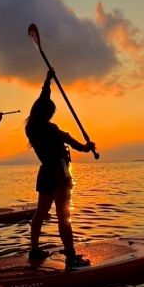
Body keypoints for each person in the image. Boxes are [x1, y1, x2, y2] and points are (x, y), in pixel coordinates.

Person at [25, 69, 96, 270]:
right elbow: (73, 143)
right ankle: (71, 257)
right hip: (59, 174)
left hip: (45, 173)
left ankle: (34, 249)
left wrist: (47, 81)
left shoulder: (31, 128)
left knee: (40, 213)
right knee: (63, 216)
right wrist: (87, 147)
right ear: (48, 113)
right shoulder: (51, 129)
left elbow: (40, 101)